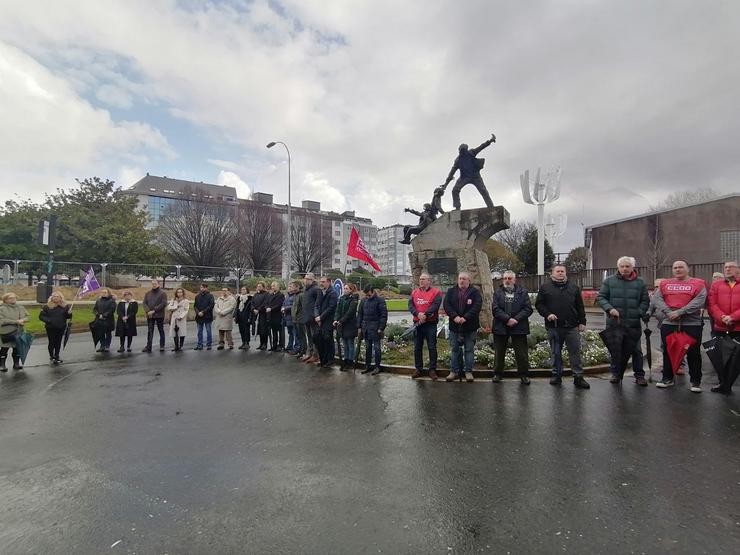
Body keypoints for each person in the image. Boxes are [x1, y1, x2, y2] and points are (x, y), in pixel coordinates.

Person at [651, 260, 707, 392]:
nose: (678, 269)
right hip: (669, 323)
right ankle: (667, 378)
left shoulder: (698, 283)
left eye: (681, 267)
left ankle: (695, 381)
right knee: (668, 351)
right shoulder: (665, 284)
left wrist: (680, 312)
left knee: (693, 353)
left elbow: (700, 300)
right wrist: (669, 312)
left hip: (692, 324)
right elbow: (657, 299)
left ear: (688, 269)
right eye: (675, 267)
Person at [596, 256, 650, 386]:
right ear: (618, 267)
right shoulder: (609, 281)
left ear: (632, 268)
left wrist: (639, 312)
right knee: (616, 350)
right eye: (622, 266)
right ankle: (616, 374)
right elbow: (601, 297)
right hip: (615, 323)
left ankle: (639, 375)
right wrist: (610, 309)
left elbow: (645, 301)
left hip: (633, 324)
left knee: (636, 351)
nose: (624, 269)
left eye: (627, 266)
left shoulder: (640, 282)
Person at [535, 265, 590, 389]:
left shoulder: (574, 288)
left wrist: (582, 322)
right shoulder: (545, 288)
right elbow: (539, 304)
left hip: (572, 326)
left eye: (562, 271)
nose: (560, 273)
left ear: (565, 273)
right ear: (552, 273)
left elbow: (580, 306)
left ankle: (578, 377)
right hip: (553, 327)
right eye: (558, 271)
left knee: (575, 352)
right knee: (556, 352)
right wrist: (548, 314)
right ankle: (556, 375)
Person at [491, 271, 532, 385]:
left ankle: (524, 375)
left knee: (521, 353)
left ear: (514, 280)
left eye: (509, 278)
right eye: (505, 278)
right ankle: (498, 374)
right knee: (499, 352)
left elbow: (528, 309)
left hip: (519, 327)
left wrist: (516, 319)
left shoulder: (523, 292)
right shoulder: (497, 293)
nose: (507, 280)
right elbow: (495, 309)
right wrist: (507, 319)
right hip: (501, 326)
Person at [443, 272, 483, 382]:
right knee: (455, 349)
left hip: (470, 326)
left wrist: (465, 317)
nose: (462, 281)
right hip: (454, 326)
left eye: (464, 279)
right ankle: (453, 371)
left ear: (469, 280)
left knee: (469, 350)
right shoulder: (451, 291)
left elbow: (477, 306)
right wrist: (455, 316)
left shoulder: (474, 292)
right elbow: (447, 305)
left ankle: (468, 371)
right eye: (460, 278)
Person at [706, 260, 739, 393]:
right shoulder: (716, 285)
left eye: (731, 267)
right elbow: (712, 304)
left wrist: (733, 317)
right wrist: (722, 318)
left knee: (736, 361)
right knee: (720, 358)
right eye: (726, 267)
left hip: (737, 329)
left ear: (738, 269)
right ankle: (723, 384)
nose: (728, 269)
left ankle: (729, 384)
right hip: (720, 328)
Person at [441, 133, 496, 210]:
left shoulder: (471, 152)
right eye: (462, 151)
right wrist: (445, 185)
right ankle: (457, 207)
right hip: (464, 178)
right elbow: (451, 173)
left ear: (466, 150)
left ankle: (491, 207)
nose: (463, 152)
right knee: (455, 190)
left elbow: (481, 147)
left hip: (475, 177)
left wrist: (490, 141)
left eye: (464, 150)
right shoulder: (458, 161)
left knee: (483, 191)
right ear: (460, 151)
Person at [408, 273, 443, 380]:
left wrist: (425, 315)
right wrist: (418, 314)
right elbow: (410, 305)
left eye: (423, 279)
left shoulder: (436, 292)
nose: (421, 281)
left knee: (432, 347)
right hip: (417, 324)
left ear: (429, 281)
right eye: (420, 279)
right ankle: (418, 368)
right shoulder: (414, 292)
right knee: (417, 347)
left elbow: (435, 305)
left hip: (430, 324)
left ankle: (432, 369)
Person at [358, 285, 388, 375]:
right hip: (366, 328)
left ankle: (377, 367)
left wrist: (381, 328)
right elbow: (360, 315)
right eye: (366, 295)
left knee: (377, 348)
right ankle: (368, 366)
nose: (367, 296)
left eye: (368, 294)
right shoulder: (363, 301)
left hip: (376, 328)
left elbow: (383, 315)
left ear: (372, 291)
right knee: (368, 348)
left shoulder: (380, 300)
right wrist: (359, 327)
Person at [39, 291, 72, 364]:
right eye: (54, 296)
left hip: (61, 326)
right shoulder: (47, 306)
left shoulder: (65, 306)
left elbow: (67, 317)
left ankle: (57, 356)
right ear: (51, 297)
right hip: (50, 327)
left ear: (61, 298)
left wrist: (69, 313)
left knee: (58, 342)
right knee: (52, 342)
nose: (56, 298)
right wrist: (49, 320)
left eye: (58, 296)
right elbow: (41, 316)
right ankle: (52, 356)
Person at [0, 292, 29, 371]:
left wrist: (23, 320)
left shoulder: (21, 307)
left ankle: (16, 364)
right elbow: (2, 320)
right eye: (10, 298)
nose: (13, 299)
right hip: (7, 332)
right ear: (5, 300)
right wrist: (16, 322)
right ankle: (2, 365)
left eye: (14, 297)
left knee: (17, 348)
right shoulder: (2, 308)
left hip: (19, 331)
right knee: (4, 349)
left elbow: (27, 316)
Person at [334, 282, 359, 371]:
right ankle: (346, 359)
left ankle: (350, 361)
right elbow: (338, 310)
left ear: (351, 290)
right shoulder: (341, 299)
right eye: (344, 288)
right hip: (342, 325)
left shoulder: (353, 300)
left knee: (350, 343)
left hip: (350, 324)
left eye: (347, 288)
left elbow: (350, 312)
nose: (345, 290)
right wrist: (336, 319)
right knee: (344, 343)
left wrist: (341, 321)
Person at [315, 276, 339, 367]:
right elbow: (316, 305)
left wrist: (321, 317)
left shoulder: (332, 293)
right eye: (320, 281)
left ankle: (330, 359)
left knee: (328, 340)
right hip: (320, 320)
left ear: (329, 282)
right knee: (320, 340)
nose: (321, 283)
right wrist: (317, 316)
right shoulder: (320, 292)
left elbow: (331, 307)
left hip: (328, 320)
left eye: (323, 282)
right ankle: (323, 359)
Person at [299, 273, 322, 363]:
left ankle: (316, 355)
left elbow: (318, 304)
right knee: (309, 336)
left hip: (313, 318)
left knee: (314, 337)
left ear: (312, 280)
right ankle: (310, 353)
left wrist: (315, 316)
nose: (306, 280)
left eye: (308, 279)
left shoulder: (316, 290)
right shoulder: (305, 290)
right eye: (305, 278)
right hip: (306, 317)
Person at [142, 279, 167, 353]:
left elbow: (163, 303)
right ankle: (148, 346)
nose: (154, 285)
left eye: (155, 283)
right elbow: (144, 303)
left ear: (158, 284)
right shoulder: (148, 293)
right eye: (152, 283)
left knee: (160, 330)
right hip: (150, 315)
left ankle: (162, 345)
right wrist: (148, 311)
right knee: (150, 331)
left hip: (159, 315)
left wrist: (154, 310)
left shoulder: (162, 293)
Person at [93, 288, 117, 353]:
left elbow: (111, 310)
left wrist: (103, 315)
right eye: (102, 292)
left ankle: (107, 346)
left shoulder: (112, 301)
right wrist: (98, 315)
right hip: (99, 320)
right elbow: (95, 309)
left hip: (108, 320)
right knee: (101, 334)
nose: (103, 293)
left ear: (108, 293)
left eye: (105, 292)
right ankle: (102, 346)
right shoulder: (98, 300)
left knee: (108, 333)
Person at [193, 283, 215, 350]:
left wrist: (203, 312)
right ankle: (200, 345)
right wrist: (198, 312)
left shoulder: (210, 296)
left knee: (208, 331)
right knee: (199, 331)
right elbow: (195, 306)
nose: (202, 289)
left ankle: (209, 345)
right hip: (199, 317)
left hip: (207, 317)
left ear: (206, 288)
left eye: (203, 287)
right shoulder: (197, 296)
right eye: (201, 287)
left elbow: (211, 305)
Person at [266, 282, 285, 352]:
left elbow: (279, 304)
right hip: (270, 316)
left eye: (274, 286)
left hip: (277, 315)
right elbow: (267, 303)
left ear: (278, 287)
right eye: (272, 286)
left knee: (280, 331)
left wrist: (271, 308)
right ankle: (274, 345)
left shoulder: (281, 295)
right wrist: (267, 307)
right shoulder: (270, 295)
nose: (272, 287)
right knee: (273, 331)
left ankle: (280, 345)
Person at [251, 282, 269, 350]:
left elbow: (265, 303)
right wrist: (253, 309)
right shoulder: (255, 295)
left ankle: (265, 344)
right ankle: (261, 343)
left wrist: (258, 309)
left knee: (264, 330)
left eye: (260, 286)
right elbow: (252, 303)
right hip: (256, 314)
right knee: (259, 330)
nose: (258, 287)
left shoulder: (266, 294)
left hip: (263, 314)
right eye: (258, 286)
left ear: (263, 287)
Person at [282, 282, 298, 353]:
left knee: (295, 333)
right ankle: (289, 346)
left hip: (293, 317)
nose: (289, 288)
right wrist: (282, 308)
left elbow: (294, 306)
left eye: (291, 286)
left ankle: (296, 347)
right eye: (289, 286)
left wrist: (286, 309)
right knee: (290, 333)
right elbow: (283, 304)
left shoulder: (295, 296)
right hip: (287, 317)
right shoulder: (287, 296)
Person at [290, 281, 304, 356]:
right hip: (295, 319)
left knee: (301, 336)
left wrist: (300, 318)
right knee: (298, 336)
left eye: (292, 286)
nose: (291, 288)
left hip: (300, 319)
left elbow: (303, 308)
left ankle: (302, 350)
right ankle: (300, 350)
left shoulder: (301, 295)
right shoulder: (295, 295)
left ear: (297, 287)